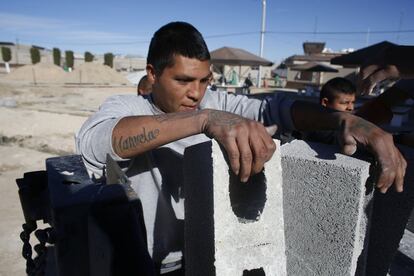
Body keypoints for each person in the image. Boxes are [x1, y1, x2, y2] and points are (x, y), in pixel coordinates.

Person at [76, 21, 406, 275]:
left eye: (204, 80)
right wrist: (203, 120)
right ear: (152, 73)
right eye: (183, 81)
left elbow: (276, 108)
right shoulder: (126, 106)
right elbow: (100, 142)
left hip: (212, 257)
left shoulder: (218, 102)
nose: (197, 93)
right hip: (149, 265)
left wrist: (341, 120)